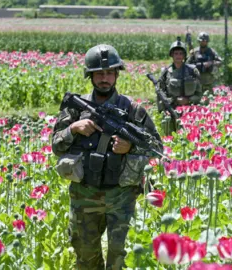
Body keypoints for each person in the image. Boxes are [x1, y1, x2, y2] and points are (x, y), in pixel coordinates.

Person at [52, 44, 163, 270]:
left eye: (109, 73)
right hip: (84, 194)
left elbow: (156, 149)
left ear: (116, 75)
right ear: (90, 76)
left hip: (121, 196)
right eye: (99, 73)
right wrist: (73, 129)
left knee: (119, 255)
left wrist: (129, 147)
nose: (105, 78)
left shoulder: (133, 110)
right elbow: (56, 145)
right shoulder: (76, 108)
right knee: (85, 255)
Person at [158, 37, 202, 135]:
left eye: (181, 53)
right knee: (170, 136)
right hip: (171, 110)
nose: (178, 56)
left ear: (184, 55)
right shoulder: (165, 73)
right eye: (176, 53)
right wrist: (164, 109)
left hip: (190, 110)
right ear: (172, 55)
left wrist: (189, 100)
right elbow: (160, 95)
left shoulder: (192, 71)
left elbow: (199, 93)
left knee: (190, 136)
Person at [186, 32, 223, 96]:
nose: (203, 42)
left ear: (207, 41)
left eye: (204, 41)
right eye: (201, 41)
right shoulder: (194, 52)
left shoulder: (212, 52)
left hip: (209, 81)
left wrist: (211, 63)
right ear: (198, 41)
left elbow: (220, 62)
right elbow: (187, 64)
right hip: (197, 82)